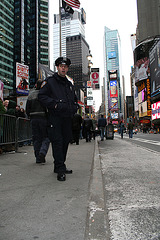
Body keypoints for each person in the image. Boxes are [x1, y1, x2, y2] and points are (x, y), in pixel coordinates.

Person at [38, 57, 78, 181]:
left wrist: (74, 107)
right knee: (58, 142)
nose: (63, 68)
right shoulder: (50, 82)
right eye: (61, 66)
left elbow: (74, 100)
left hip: (67, 118)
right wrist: (54, 104)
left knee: (65, 141)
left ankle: (59, 165)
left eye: (65, 67)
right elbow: (41, 96)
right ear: (57, 67)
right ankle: (60, 169)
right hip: (55, 117)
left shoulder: (69, 84)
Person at [26, 79, 50, 164]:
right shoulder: (44, 94)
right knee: (46, 137)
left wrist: (30, 115)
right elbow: (48, 108)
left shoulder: (31, 94)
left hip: (33, 118)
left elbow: (27, 108)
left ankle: (38, 158)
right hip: (43, 118)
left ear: (36, 85)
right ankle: (42, 152)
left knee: (36, 138)